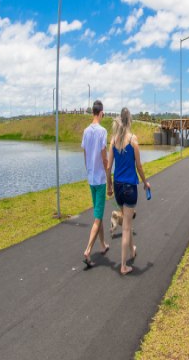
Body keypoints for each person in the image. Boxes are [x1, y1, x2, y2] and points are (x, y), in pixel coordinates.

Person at [106, 107, 151, 275]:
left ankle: (132, 249)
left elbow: (109, 166)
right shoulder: (133, 140)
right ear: (130, 120)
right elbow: (138, 165)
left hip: (117, 186)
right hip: (130, 187)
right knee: (126, 227)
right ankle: (123, 266)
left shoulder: (113, 140)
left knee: (126, 220)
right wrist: (145, 182)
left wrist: (109, 186)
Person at [81, 100, 109, 268]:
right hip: (100, 179)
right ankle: (88, 250)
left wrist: (89, 170)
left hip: (91, 178)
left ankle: (103, 244)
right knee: (98, 217)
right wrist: (108, 177)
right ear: (101, 113)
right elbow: (104, 157)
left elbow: (85, 154)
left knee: (99, 213)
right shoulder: (102, 131)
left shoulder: (86, 131)